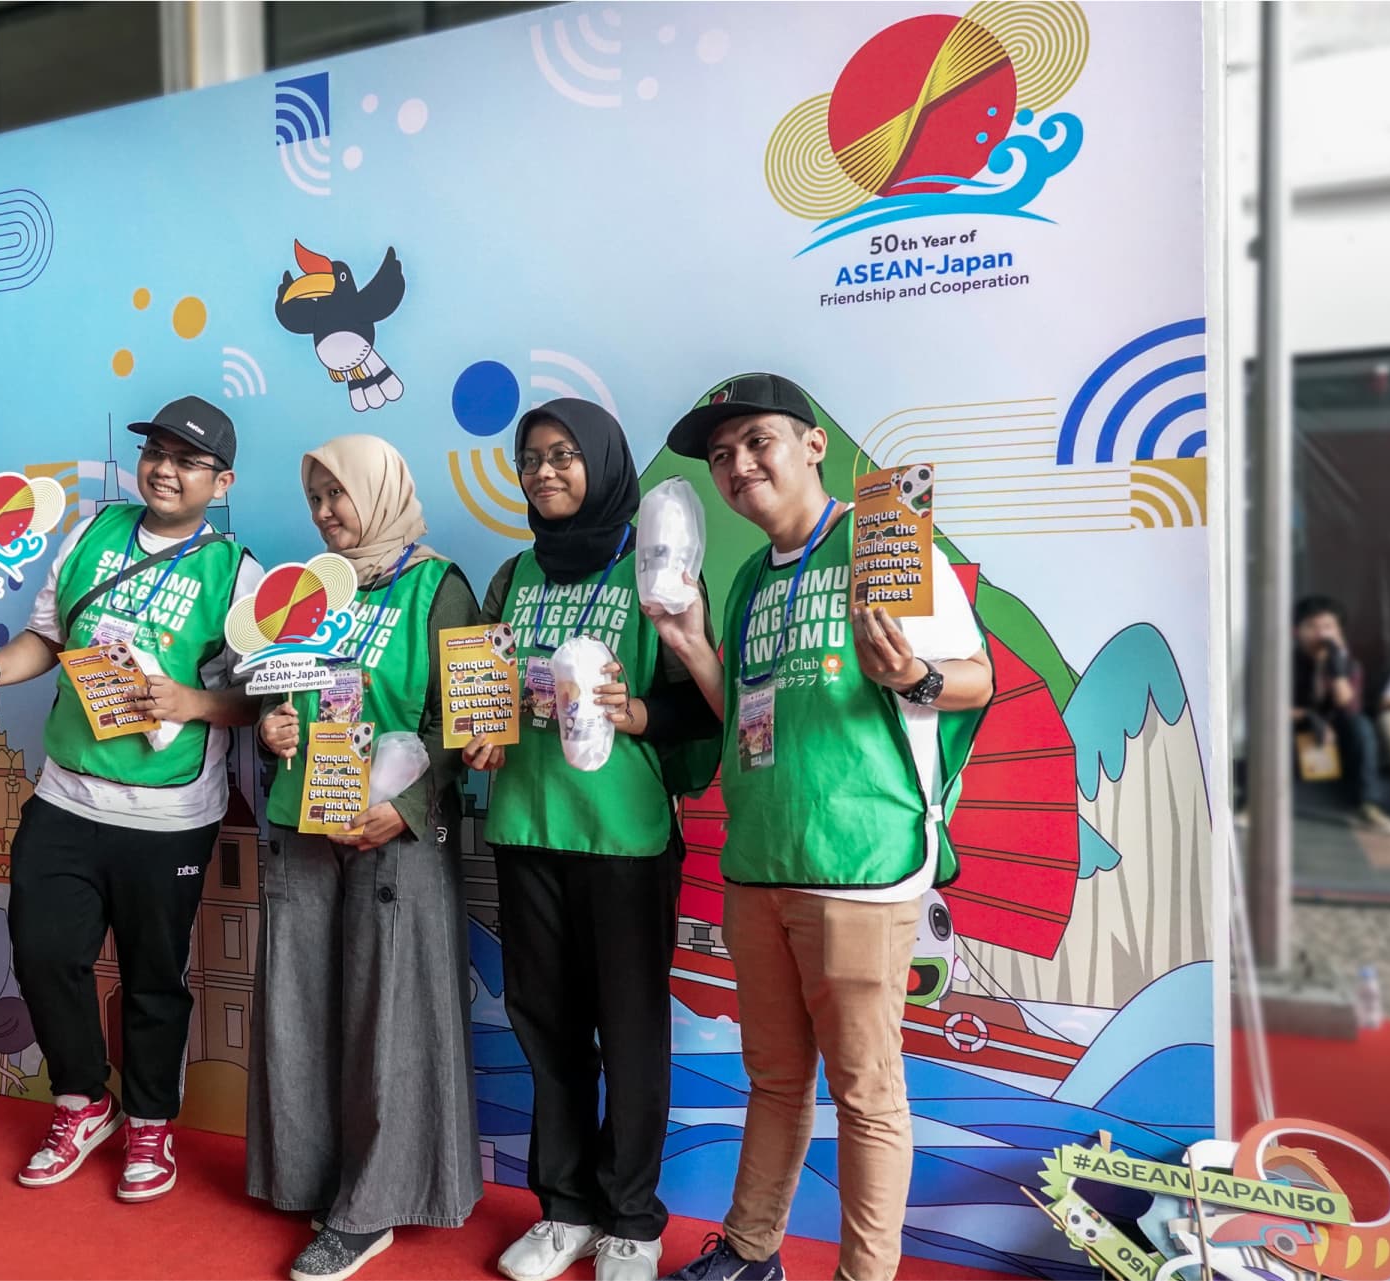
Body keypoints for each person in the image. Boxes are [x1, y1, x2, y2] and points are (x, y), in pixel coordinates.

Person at [651, 373, 993, 1281]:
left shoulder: (884, 544)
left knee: (869, 1096)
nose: (737, 465)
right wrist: (691, 647)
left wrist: (915, 676)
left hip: (860, 866)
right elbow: (744, 724)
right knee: (773, 1079)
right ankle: (753, 1251)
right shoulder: (745, 585)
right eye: (721, 456)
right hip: (759, 864)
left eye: (756, 441)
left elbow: (975, 678)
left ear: (813, 445)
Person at [0, 395, 264, 1201]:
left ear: (222, 480)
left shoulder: (238, 571)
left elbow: (260, 699)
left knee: (154, 976)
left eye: (188, 460)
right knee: (44, 951)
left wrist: (189, 703)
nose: (166, 468)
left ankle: (151, 1123)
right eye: (157, 452)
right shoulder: (92, 533)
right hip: (66, 795)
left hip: (169, 813)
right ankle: (84, 1101)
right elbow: (48, 635)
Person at [461, 399, 718, 1281]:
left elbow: (701, 696)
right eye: (530, 458)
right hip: (528, 826)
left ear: (604, 461)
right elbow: (484, 693)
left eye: (565, 455)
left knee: (633, 1031)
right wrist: (482, 734)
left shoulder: (655, 570)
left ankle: (634, 1220)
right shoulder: (513, 575)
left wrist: (640, 711)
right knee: (547, 1027)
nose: (545, 472)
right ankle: (564, 1206)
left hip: (626, 838)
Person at [250, 434, 483, 1281]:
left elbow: (464, 720)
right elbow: (280, 685)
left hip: (396, 827)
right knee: (302, 1004)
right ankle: (317, 1176)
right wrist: (273, 722)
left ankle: (371, 1206)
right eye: (315, 499)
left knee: (391, 1013)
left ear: (380, 491)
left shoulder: (438, 585)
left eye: (338, 495)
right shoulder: (309, 590)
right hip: (304, 820)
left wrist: (407, 806)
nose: (325, 514)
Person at [1293, 596, 1390, 832]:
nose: (1321, 634)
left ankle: (1368, 806)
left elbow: (1349, 706)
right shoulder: (1286, 662)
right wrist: (1310, 717)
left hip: (1336, 730)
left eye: (1328, 627)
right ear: (1297, 631)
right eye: (1312, 627)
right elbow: (1272, 709)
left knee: (1360, 726)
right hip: (1298, 725)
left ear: (1338, 631)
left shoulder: (1348, 664)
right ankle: (1252, 802)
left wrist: (1336, 669)